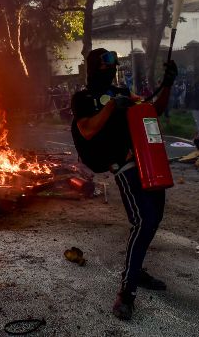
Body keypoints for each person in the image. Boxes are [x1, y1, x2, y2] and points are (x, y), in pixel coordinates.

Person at [70, 48, 177, 321]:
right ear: (94, 68)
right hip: (122, 165)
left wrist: (167, 84)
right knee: (144, 220)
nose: (112, 69)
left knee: (153, 220)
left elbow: (153, 109)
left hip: (147, 161)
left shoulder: (123, 92)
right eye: (107, 66)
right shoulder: (83, 98)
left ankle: (136, 269)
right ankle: (126, 293)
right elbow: (87, 129)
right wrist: (110, 107)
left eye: (114, 65)